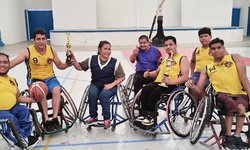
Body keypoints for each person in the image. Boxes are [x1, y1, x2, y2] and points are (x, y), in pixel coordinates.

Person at [185, 38, 250, 150]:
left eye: (219, 48)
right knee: (230, 104)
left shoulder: (235, 58)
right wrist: (191, 85)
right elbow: (199, 90)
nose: (216, 50)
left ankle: (237, 136)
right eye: (213, 49)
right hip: (221, 95)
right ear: (210, 52)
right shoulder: (207, 68)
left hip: (239, 92)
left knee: (241, 108)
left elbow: (244, 79)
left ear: (224, 48)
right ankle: (228, 137)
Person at [10, 29, 71, 132]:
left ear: (46, 40)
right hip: (34, 79)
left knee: (57, 89)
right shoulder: (27, 51)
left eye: (43, 39)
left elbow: (60, 65)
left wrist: (68, 64)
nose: (41, 41)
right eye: (38, 39)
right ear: (34, 40)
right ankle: (46, 120)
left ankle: (55, 118)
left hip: (50, 78)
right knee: (41, 91)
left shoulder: (51, 50)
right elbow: (13, 62)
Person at [71, 40, 125, 128]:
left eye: (109, 49)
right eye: (105, 49)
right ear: (99, 49)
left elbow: (122, 77)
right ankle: (93, 117)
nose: (108, 51)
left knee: (103, 96)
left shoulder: (115, 62)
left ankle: (107, 119)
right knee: (92, 94)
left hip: (110, 85)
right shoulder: (92, 59)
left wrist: (112, 84)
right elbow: (79, 67)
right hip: (96, 84)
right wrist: (72, 58)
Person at [137, 36, 189, 126]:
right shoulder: (165, 59)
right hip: (159, 82)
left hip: (172, 85)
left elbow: (185, 77)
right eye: (166, 45)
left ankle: (151, 117)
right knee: (146, 89)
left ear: (176, 45)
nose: (168, 47)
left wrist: (170, 82)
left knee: (155, 92)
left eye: (170, 44)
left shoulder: (182, 58)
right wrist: (149, 74)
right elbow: (157, 72)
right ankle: (143, 114)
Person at [0, 52, 40, 148]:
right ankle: (21, 141)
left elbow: (18, 97)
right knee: (11, 119)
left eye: (5, 62)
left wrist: (32, 100)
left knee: (24, 110)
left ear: (9, 65)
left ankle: (27, 136)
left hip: (13, 107)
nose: (2, 64)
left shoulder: (12, 80)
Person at [189, 27, 213, 102]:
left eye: (206, 36)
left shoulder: (214, 49)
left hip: (209, 74)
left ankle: (203, 107)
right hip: (197, 74)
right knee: (191, 86)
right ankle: (195, 108)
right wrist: (192, 73)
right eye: (201, 37)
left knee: (201, 88)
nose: (203, 38)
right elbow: (192, 61)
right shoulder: (197, 50)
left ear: (210, 37)